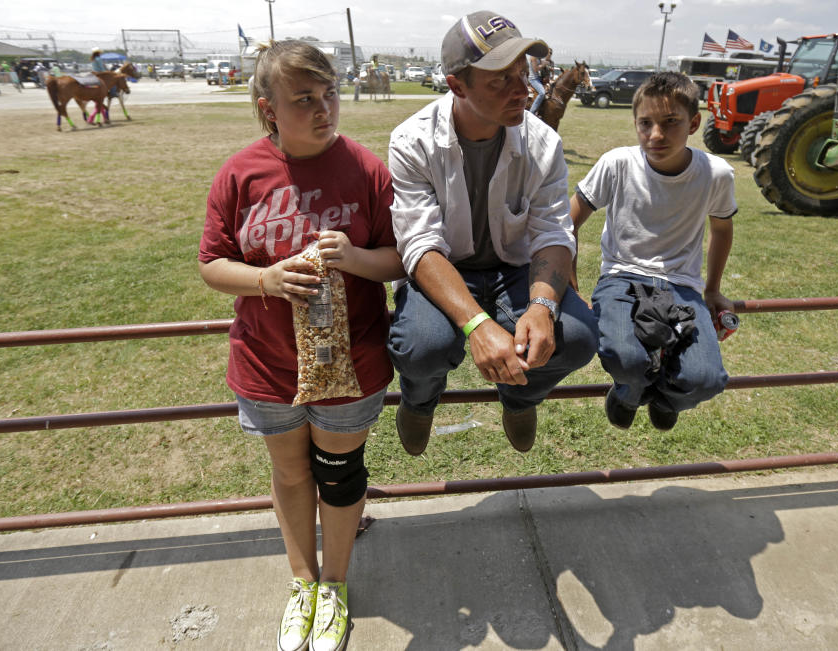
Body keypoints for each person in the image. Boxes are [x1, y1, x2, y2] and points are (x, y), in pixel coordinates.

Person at [198, 40, 403, 651]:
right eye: (304, 99)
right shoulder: (241, 173)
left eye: (329, 94)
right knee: (290, 474)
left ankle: (334, 587)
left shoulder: (367, 170)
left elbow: (402, 259)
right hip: (267, 365)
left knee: (338, 476)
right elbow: (211, 263)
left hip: (353, 361)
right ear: (269, 109)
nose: (324, 109)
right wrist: (266, 278)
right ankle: (302, 584)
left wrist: (358, 258)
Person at [387, 10, 598, 456]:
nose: (523, 90)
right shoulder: (412, 142)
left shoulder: (543, 142)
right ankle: (420, 400)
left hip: (512, 270)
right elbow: (420, 246)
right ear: (456, 86)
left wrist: (541, 307)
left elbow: (553, 234)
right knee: (422, 347)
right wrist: (479, 324)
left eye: (522, 73)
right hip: (446, 269)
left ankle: (520, 397)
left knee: (576, 337)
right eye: (500, 80)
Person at [569, 71, 736, 431]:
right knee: (625, 358)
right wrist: (571, 288)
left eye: (670, 122)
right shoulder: (617, 163)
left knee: (707, 379)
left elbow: (722, 228)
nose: (655, 135)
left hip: (681, 285)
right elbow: (569, 221)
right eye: (645, 123)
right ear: (635, 123)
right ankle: (628, 393)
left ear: (694, 123)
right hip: (621, 277)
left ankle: (666, 397)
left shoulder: (716, 174)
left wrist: (712, 289)